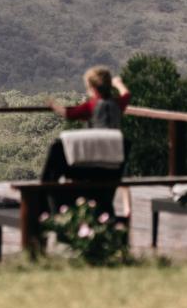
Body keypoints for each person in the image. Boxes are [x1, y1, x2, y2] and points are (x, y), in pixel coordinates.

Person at [47, 66, 133, 216]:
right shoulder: (117, 104)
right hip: (114, 157)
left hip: (94, 157)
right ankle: (124, 210)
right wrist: (118, 84)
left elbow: (69, 113)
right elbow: (127, 94)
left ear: (92, 88)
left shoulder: (92, 105)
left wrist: (53, 105)